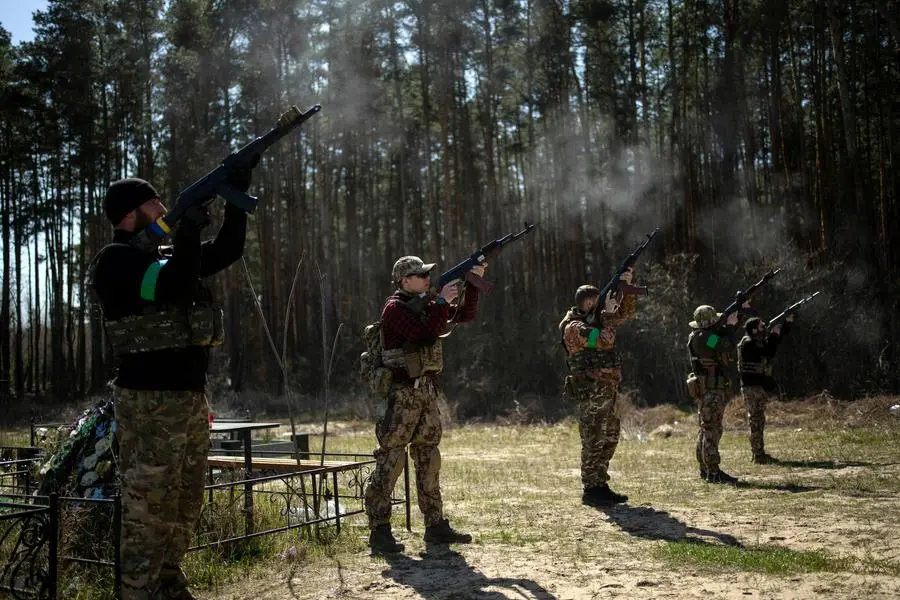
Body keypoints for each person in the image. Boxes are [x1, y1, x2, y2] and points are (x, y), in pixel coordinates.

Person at [89, 171, 252, 600]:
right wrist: (190, 228)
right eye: (154, 204)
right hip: (148, 401)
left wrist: (237, 196)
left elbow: (227, 250)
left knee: (184, 504)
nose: (163, 210)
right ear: (130, 214)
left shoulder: (161, 256)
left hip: (187, 399)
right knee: (148, 509)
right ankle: (137, 592)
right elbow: (172, 285)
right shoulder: (116, 261)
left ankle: (168, 584)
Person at [363, 256, 485, 554]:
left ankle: (435, 526)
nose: (427, 278)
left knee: (429, 456)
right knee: (392, 459)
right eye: (420, 275)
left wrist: (474, 284)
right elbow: (422, 333)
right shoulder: (394, 309)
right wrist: (441, 302)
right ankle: (379, 529)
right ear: (405, 281)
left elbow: (463, 316)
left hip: (426, 392)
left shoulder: (430, 305)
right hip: (402, 393)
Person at [558, 267, 638, 507]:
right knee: (594, 437)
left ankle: (601, 484)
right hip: (592, 390)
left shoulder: (599, 319)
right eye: (591, 301)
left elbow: (627, 313)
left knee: (610, 437)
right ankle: (591, 489)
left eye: (597, 300)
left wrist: (626, 288)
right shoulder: (573, 328)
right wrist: (609, 315)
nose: (595, 305)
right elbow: (603, 340)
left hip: (608, 389)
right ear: (582, 304)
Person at [686, 304, 741, 484]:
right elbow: (726, 345)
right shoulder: (704, 338)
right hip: (711, 389)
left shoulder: (701, 336)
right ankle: (713, 472)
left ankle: (705, 468)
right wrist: (731, 326)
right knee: (712, 429)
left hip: (708, 389)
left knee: (706, 428)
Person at [737, 314, 794, 463]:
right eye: (761, 326)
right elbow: (769, 350)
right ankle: (758, 455)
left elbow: (772, 343)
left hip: (755, 386)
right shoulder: (749, 344)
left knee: (758, 420)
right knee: (756, 420)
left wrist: (785, 325)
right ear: (754, 330)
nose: (764, 328)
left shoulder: (754, 342)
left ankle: (758, 453)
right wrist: (774, 334)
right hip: (752, 387)